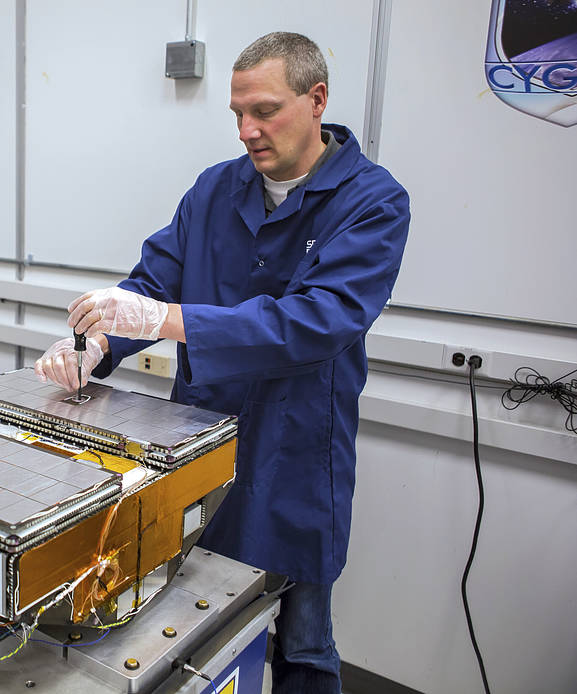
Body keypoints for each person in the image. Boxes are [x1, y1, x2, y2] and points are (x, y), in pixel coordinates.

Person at [34, 32, 409, 693]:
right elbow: (152, 284)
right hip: (198, 443)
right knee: (195, 634)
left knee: (302, 638)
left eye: (263, 111)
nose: (246, 130)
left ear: (315, 100)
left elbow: (314, 322)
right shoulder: (215, 189)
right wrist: (97, 343)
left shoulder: (372, 201)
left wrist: (165, 321)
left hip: (297, 455)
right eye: (236, 114)